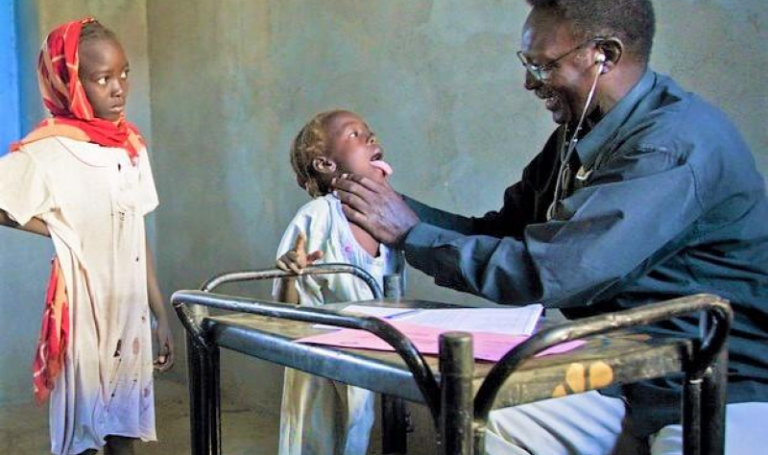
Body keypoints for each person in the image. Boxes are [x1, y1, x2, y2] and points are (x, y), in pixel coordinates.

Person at [332, 0, 768, 454]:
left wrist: (409, 233)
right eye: (527, 63)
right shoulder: (581, 134)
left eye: (543, 66)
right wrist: (383, 205)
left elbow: (553, 270)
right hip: (626, 374)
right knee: (487, 417)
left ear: (605, 55)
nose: (529, 82)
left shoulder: (673, 145)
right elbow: (503, 232)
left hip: (718, 383)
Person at [0, 18, 174, 455]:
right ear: (69, 83)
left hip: (129, 310)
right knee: (84, 433)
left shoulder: (130, 146)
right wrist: (59, 228)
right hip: (84, 312)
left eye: (124, 73)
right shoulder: (50, 149)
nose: (118, 89)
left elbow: (135, 234)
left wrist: (159, 312)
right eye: (102, 79)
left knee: (125, 432)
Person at [273, 109, 403, 455]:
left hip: (370, 353)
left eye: (370, 132)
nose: (371, 137)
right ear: (326, 164)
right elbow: (285, 310)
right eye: (355, 134)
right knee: (315, 440)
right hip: (319, 361)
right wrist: (291, 273)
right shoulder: (317, 217)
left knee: (358, 435)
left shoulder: (390, 219)